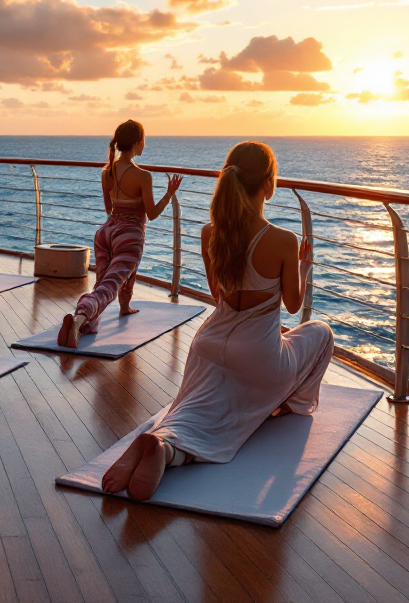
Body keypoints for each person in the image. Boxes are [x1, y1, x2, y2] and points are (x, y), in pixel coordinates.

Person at [100, 141, 335, 502]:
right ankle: (286, 402)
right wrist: (303, 266)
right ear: (268, 185)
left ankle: (164, 445)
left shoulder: (211, 233)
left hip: (208, 346)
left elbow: (218, 295)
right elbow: (292, 305)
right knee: (321, 332)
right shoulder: (283, 240)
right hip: (257, 356)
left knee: (195, 410)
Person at [56, 120, 180, 348]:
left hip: (106, 232)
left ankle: (118, 309)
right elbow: (152, 214)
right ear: (136, 142)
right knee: (109, 287)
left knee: (104, 284)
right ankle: (79, 318)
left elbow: (108, 207)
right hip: (129, 234)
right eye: (144, 140)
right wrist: (169, 194)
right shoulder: (143, 175)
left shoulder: (108, 171)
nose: (144, 144)